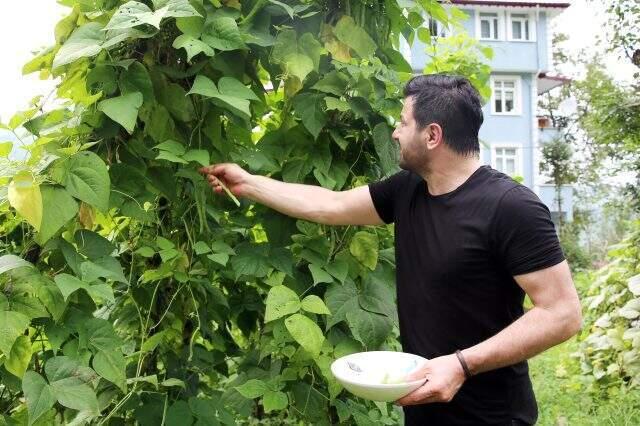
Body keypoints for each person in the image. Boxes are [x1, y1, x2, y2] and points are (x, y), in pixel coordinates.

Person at [198, 74, 582, 425]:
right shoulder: (408, 190)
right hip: (423, 408)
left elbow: (562, 314)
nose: (395, 133)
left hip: (493, 416)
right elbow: (331, 206)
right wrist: (249, 184)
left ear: (432, 135)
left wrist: (462, 365)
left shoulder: (512, 207)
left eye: (402, 122)